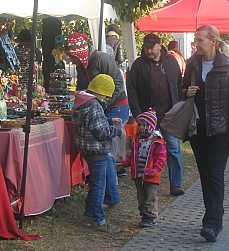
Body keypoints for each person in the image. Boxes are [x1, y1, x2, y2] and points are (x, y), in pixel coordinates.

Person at [182, 24, 229, 242]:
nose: (196, 44)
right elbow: (181, 90)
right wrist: (185, 92)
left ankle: (212, 223)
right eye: (195, 40)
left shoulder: (227, 66)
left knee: (215, 176)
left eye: (200, 40)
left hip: (220, 130)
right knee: (206, 177)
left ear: (213, 41)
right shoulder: (192, 64)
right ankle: (214, 214)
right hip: (198, 130)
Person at [65, 32, 130, 208]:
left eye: (72, 57)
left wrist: (102, 103)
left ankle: (110, 196)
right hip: (98, 106)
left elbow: (118, 83)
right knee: (102, 152)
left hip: (116, 105)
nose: (71, 61)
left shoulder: (101, 58)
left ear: (79, 52)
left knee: (105, 152)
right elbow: (82, 86)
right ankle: (106, 195)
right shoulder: (81, 65)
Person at [127, 33, 185, 196]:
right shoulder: (138, 65)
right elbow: (131, 89)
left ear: (160, 46)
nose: (149, 51)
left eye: (152, 48)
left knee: (173, 148)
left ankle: (176, 184)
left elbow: (179, 84)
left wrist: (179, 105)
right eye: (146, 48)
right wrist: (137, 113)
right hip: (147, 116)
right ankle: (148, 182)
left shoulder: (171, 62)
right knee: (146, 149)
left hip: (169, 115)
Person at [72, 74, 126, 233]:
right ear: (102, 92)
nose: (106, 100)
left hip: (86, 148)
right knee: (99, 187)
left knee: (96, 184)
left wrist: (109, 120)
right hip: (96, 149)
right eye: (106, 96)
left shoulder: (82, 103)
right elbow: (100, 130)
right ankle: (99, 220)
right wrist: (116, 131)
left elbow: (91, 122)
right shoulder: (94, 105)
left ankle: (89, 215)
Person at [116, 109, 166, 228]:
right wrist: (124, 164)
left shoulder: (157, 141)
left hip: (151, 174)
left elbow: (161, 159)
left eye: (145, 125)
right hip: (138, 173)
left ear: (151, 126)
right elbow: (133, 156)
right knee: (141, 195)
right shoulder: (137, 140)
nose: (142, 128)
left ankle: (151, 216)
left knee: (150, 195)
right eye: (140, 125)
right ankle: (144, 214)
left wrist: (155, 170)